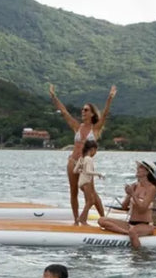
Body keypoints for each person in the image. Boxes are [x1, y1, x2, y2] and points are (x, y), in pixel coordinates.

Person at [49, 83, 117, 225]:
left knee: (90, 193)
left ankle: (103, 218)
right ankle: (76, 221)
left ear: (92, 113)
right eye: (82, 110)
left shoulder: (96, 128)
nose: (83, 112)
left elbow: (104, 114)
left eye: (86, 110)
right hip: (73, 162)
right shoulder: (77, 126)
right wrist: (53, 96)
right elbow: (64, 112)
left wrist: (110, 98)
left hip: (86, 164)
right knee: (73, 191)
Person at [99, 160, 156, 250]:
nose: (137, 169)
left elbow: (142, 209)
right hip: (130, 224)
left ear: (147, 172)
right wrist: (128, 194)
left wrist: (133, 194)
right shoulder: (135, 186)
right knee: (101, 220)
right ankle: (126, 233)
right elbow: (124, 207)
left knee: (133, 231)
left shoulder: (152, 188)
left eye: (140, 167)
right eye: (138, 167)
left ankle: (138, 254)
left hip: (145, 225)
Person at [73, 139, 104, 225]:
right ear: (92, 149)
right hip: (86, 182)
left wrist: (81, 170)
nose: (95, 153)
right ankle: (81, 219)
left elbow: (75, 171)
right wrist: (98, 174)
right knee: (90, 201)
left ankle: (82, 219)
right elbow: (88, 171)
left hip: (81, 183)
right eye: (96, 151)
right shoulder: (89, 159)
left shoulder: (81, 158)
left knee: (91, 200)